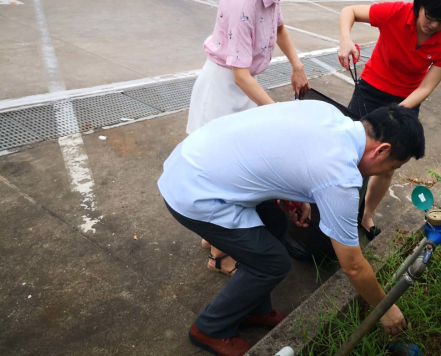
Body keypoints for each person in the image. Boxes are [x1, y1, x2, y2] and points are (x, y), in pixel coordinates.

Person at [158, 100, 426, 355]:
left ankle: (254, 309)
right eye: (392, 166)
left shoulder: (327, 114)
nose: (383, 173)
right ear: (382, 150)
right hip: (193, 190)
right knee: (271, 264)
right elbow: (353, 266)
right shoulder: (340, 177)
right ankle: (210, 329)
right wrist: (386, 308)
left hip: (194, 156)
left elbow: (279, 148)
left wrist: (293, 192)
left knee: (275, 222)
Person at [186, 0, 324, 276]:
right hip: (224, 91)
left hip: (243, 88)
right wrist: (277, 115)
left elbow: (279, 27)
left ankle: (211, 240)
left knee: (232, 171)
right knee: (225, 177)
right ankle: (219, 255)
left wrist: (297, 65)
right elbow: (239, 74)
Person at [337, 0, 441, 240]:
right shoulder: (396, 13)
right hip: (370, 90)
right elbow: (349, 11)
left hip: (407, 102)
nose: (434, 25)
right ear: (419, 4)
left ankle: (366, 215)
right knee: (351, 152)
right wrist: (345, 39)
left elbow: (426, 87)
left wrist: (397, 112)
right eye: (430, 16)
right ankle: (338, 208)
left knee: (387, 164)